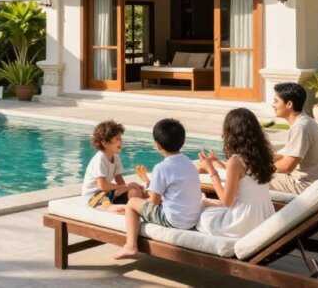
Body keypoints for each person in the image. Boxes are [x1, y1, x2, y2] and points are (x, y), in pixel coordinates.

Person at [113, 118, 202, 260]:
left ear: (158, 145)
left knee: (131, 204)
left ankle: (130, 246)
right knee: (140, 203)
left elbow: (154, 202)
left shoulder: (161, 168)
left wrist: (139, 205)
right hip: (192, 218)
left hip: (175, 220)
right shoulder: (189, 163)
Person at [196, 108, 275, 238]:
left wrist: (212, 171)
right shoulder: (263, 155)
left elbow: (227, 202)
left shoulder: (235, 161)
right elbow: (246, 179)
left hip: (244, 222)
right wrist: (219, 163)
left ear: (230, 133)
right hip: (264, 217)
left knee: (205, 218)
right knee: (210, 208)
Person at [269, 82, 318, 194]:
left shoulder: (300, 127)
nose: (272, 105)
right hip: (314, 182)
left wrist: (257, 169)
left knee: (252, 177)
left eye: (276, 101)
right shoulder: (304, 121)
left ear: (289, 104)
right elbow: (282, 155)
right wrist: (253, 160)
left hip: (307, 185)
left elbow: (287, 166)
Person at [82, 120, 145, 212]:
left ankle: (136, 207)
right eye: (117, 139)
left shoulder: (116, 158)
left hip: (107, 193)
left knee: (134, 189)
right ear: (105, 142)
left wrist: (132, 186)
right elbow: (102, 186)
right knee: (109, 204)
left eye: (121, 139)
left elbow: (120, 182)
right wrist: (124, 187)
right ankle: (124, 209)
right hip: (94, 196)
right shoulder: (99, 160)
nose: (121, 142)